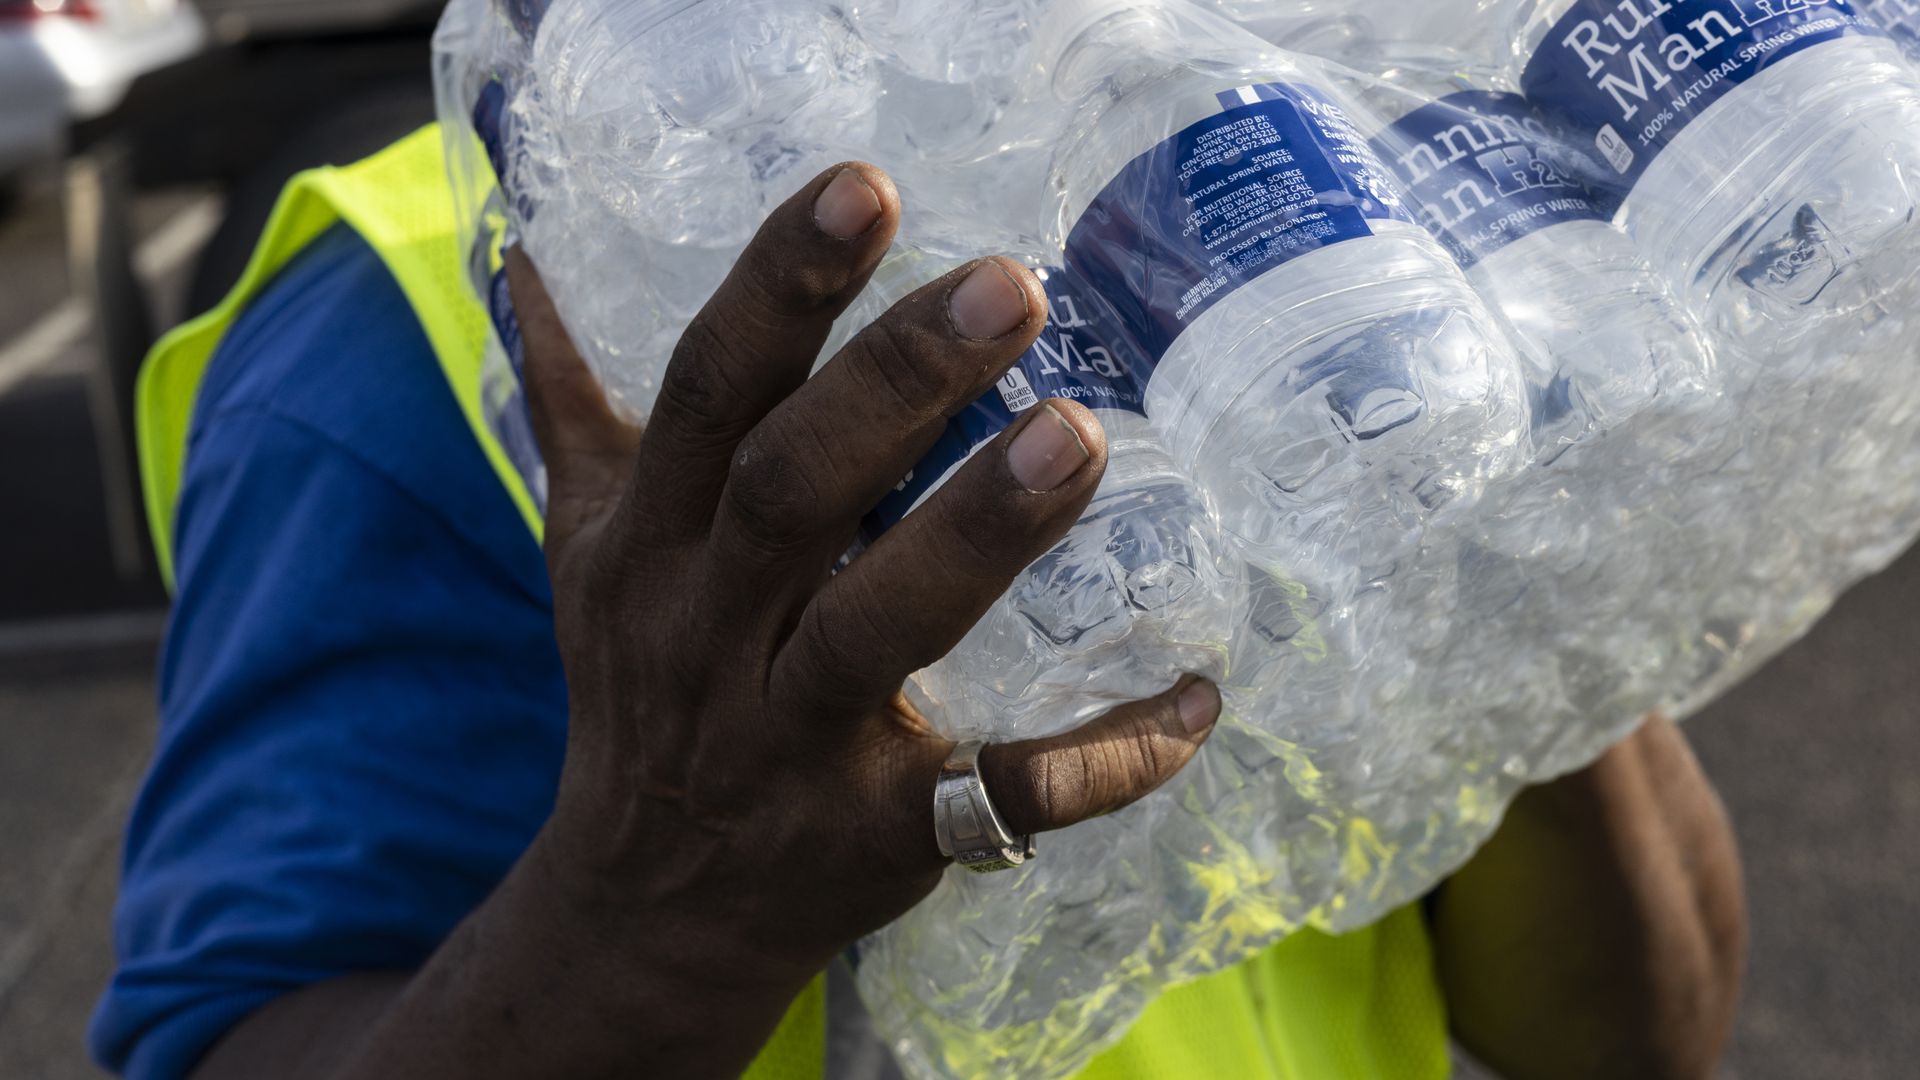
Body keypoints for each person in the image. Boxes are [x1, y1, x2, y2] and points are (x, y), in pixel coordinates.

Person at [90, 125, 1747, 1080]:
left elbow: (1638, 1036)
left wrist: (1484, 562)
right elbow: (230, 1036)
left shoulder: (1271, 182)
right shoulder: (415, 333)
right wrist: (666, 908)